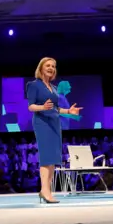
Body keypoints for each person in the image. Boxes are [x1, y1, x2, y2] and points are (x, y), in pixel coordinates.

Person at [27, 57, 82, 203]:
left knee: (53, 157)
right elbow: (31, 106)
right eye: (48, 65)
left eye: (53, 66)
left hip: (55, 123)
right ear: (41, 68)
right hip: (42, 122)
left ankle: (47, 190)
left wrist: (69, 112)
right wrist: (42, 107)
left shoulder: (54, 88)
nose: (51, 68)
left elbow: (56, 108)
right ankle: (45, 190)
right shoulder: (34, 85)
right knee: (46, 156)